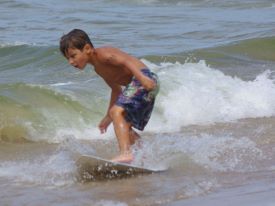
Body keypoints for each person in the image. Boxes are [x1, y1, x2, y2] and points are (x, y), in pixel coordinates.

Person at [59, 29, 159, 163]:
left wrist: (142, 78)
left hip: (144, 79)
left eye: (73, 56)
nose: (70, 62)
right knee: (125, 126)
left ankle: (125, 153)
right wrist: (108, 117)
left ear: (87, 48)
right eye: (68, 58)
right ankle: (144, 155)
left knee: (117, 112)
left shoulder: (104, 54)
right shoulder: (99, 69)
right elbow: (116, 90)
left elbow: (127, 61)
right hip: (140, 85)